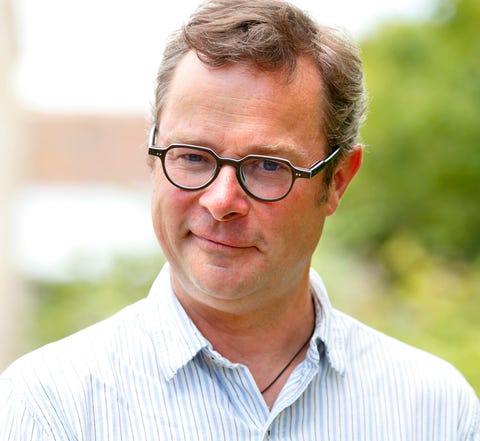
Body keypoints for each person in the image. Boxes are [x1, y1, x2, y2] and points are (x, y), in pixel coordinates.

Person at [1, 0, 478, 439]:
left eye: (268, 166)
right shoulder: (51, 408)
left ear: (337, 181)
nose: (220, 200)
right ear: (153, 155)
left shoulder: (434, 412)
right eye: (192, 157)